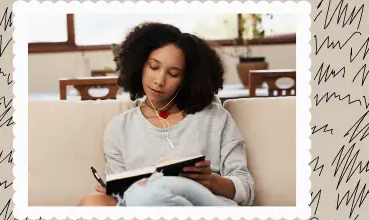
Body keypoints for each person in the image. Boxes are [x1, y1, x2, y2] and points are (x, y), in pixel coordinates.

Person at [77, 22, 254, 206]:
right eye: (154, 67)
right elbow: (121, 198)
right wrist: (111, 194)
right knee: (92, 203)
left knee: (149, 191)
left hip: (205, 203)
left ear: (187, 79)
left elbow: (246, 189)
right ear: (140, 65)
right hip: (143, 205)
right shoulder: (119, 128)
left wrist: (212, 181)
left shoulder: (214, 117)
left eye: (173, 73)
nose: (160, 81)